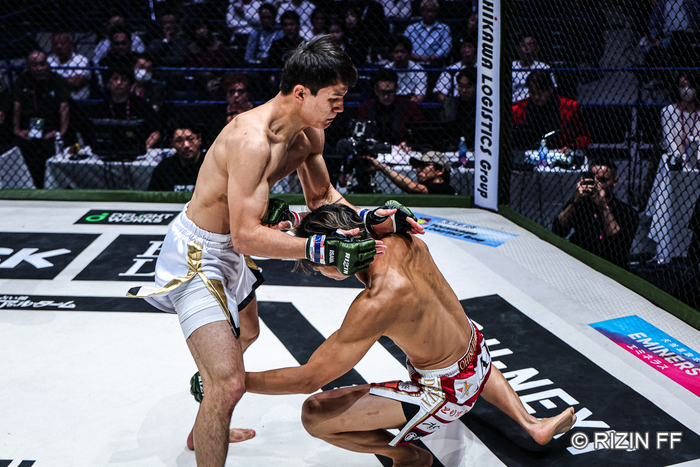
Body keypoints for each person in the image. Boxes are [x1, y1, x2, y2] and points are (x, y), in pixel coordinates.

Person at [128, 36, 423, 467]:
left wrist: (371, 218)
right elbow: (247, 237)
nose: (341, 108)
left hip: (232, 247)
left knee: (248, 334)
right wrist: (320, 247)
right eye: (334, 99)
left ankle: (202, 426)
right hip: (198, 255)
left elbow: (322, 196)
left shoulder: (309, 133)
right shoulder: (251, 141)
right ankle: (214, 404)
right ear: (301, 93)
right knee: (228, 385)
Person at [239, 203, 575, 466]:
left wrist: (233, 381)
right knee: (459, 344)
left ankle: (407, 456)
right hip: (479, 355)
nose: (316, 268)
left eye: (317, 261)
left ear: (335, 255)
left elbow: (307, 379)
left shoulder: (377, 302)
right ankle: (531, 423)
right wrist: (296, 222)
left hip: (447, 394)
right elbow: (336, 207)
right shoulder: (401, 239)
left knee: (314, 414)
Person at [552, 157, 639, 269]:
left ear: (614, 182)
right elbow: (558, 230)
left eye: (603, 180)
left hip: (609, 268)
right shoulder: (582, 203)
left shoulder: (627, 212)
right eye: (593, 179)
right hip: (579, 263)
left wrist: (604, 208)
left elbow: (618, 250)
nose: (596, 185)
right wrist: (575, 202)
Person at [12, 50, 71, 188]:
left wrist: (60, 132)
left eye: (42, 64)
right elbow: (17, 105)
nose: (39, 68)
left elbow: (64, 107)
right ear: (28, 66)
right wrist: (17, 130)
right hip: (28, 127)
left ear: (48, 64)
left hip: (52, 126)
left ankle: (53, 185)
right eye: (34, 65)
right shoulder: (22, 81)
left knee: (50, 147)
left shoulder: (58, 80)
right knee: (22, 147)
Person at [512, 69, 591, 155]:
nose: (536, 97)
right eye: (533, 92)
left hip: (560, 155)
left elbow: (585, 136)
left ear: (551, 89)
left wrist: (572, 147)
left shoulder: (569, 107)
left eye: (541, 93)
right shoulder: (517, 109)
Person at [91, 67, 161, 151]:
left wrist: (144, 149)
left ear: (130, 84)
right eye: (115, 79)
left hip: (137, 149)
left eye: (124, 79)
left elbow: (156, 132)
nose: (119, 82)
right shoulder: (101, 107)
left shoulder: (141, 104)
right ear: (108, 84)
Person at [358, 68, 423, 145]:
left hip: (401, 147)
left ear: (396, 89)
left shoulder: (409, 106)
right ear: (376, 90)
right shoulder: (365, 108)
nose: (386, 96)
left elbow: (419, 132)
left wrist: (408, 143)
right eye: (382, 92)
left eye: (390, 92)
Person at [363, 150, 456, 194]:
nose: (418, 170)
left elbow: (412, 187)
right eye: (417, 166)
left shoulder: (444, 189)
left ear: (440, 170)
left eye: (424, 166)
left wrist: (383, 168)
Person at [660, 71, 700, 167]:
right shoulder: (668, 111)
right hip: (675, 163)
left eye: (691, 86)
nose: (687, 89)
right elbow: (669, 140)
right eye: (683, 86)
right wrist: (678, 157)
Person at [148, 125, 205, 192]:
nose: (186, 145)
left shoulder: (210, 163)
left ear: (199, 139)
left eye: (190, 139)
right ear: (172, 143)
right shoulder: (165, 168)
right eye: (179, 141)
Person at [147, 12, 192, 95]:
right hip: (159, 74)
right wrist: (166, 41)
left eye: (172, 22)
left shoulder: (183, 42)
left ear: (177, 25)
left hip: (177, 74)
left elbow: (179, 60)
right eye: (166, 23)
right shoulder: (156, 41)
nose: (168, 25)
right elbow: (152, 56)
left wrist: (159, 59)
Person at [185, 19, 228, 100]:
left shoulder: (218, 45)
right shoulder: (192, 47)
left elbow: (221, 63)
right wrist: (201, 73)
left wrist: (211, 72)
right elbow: (191, 64)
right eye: (198, 29)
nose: (201, 31)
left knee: (214, 85)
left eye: (204, 28)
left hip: (215, 76)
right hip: (199, 76)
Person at [402, 0, 451, 68]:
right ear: (422, 11)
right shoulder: (411, 28)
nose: (430, 14)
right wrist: (418, 57)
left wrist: (433, 57)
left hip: (436, 64)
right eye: (427, 11)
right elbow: (404, 46)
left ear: (437, 12)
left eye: (433, 11)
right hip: (413, 63)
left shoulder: (444, 28)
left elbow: (446, 47)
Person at [512, 35, 557, 103]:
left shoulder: (544, 67)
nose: (527, 48)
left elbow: (553, 87)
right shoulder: (512, 66)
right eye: (524, 45)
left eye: (531, 45)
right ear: (518, 49)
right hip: (516, 103)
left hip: (536, 102)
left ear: (536, 49)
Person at [47, 32, 92, 101]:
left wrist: (54, 81)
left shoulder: (81, 60)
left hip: (77, 102)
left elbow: (76, 83)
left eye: (63, 43)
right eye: (55, 44)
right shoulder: (49, 60)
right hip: (54, 101)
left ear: (70, 44)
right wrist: (68, 80)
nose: (59, 47)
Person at [441, 67, 477, 151]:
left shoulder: (482, 107)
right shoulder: (450, 105)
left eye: (468, 87)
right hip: (453, 149)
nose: (464, 90)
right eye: (461, 86)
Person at [433, 37, 477, 103]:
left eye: (469, 47)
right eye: (463, 47)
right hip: (456, 102)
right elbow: (439, 90)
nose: (466, 50)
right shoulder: (451, 69)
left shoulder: (483, 68)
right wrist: (449, 103)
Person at [386, 35, 427, 103]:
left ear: (409, 53)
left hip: (411, 102)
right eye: (396, 52)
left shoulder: (419, 70)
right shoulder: (387, 69)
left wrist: (408, 105)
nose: (399, 55)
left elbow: (420, 95)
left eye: (403, 52)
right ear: (391, 54)